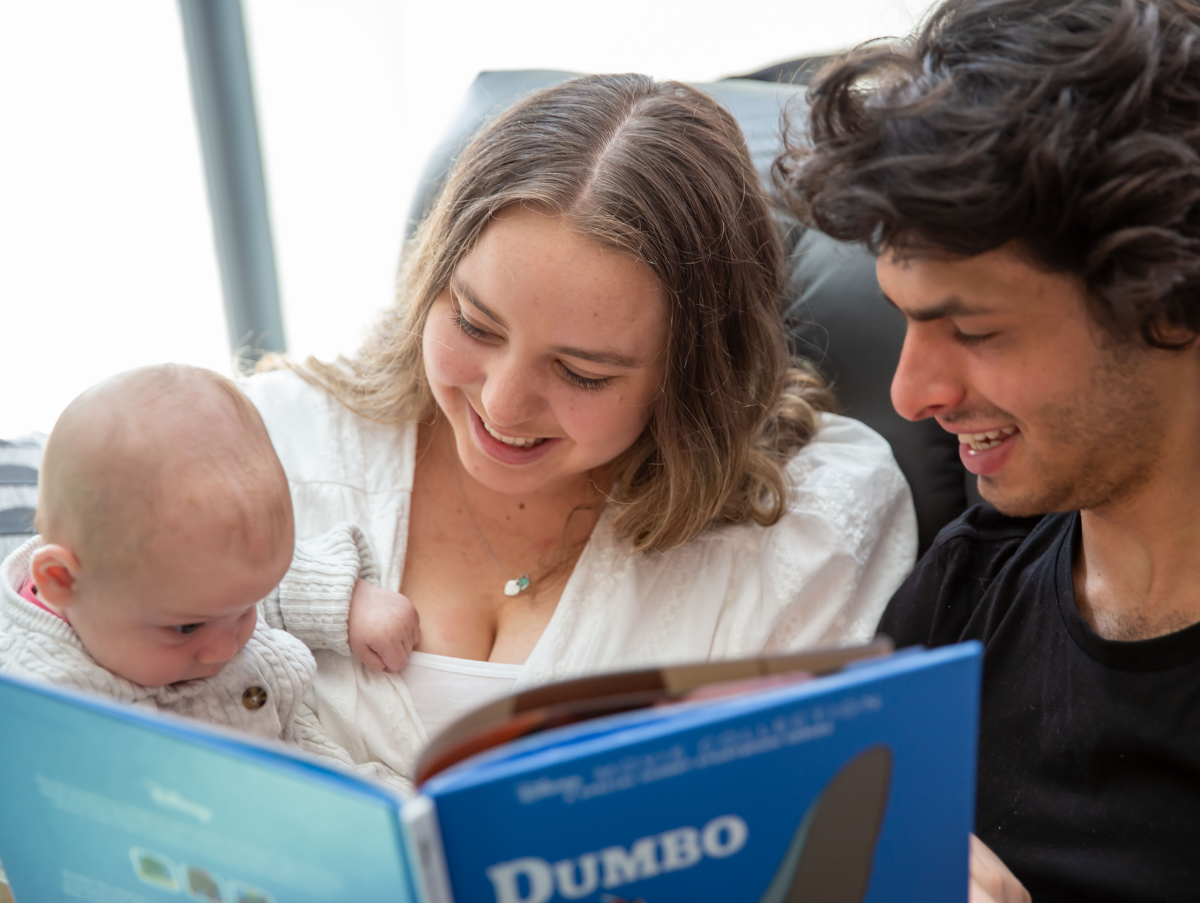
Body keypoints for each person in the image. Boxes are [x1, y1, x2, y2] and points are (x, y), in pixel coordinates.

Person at [242, 73, 917, 787]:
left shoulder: (803, 529)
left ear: (691, 378)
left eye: (582, 373)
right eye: (474, 323)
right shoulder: (267, 447)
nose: (502, 405)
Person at [776, 0, 1200, 900]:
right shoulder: (961, 595)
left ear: (1172, 303)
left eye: (969, 327)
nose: (908, 394)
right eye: (904, 321)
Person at [0, 364, 418, 791]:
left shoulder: (188, 587)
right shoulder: (36, 699)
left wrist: (344, 598)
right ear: (61, 581)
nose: (226, 646)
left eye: (246, 608)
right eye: (186, 627)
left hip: (319, 771)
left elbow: (251, 578)